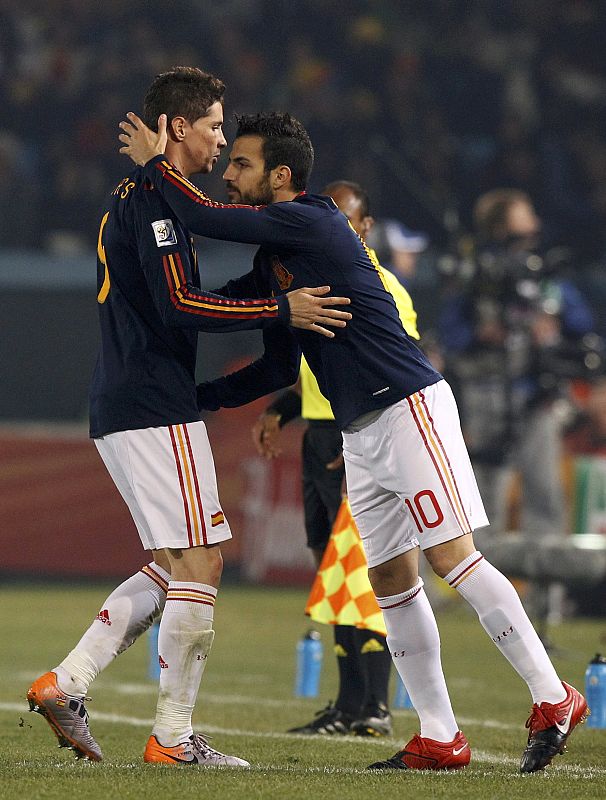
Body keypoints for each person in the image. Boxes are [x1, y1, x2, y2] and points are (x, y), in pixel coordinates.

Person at [119, 109, 588, 774]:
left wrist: (155, 167)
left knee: (453, 558)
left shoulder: (310, 220)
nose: (229, 173)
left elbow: (209, 217)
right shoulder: (277, 253)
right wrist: (197, 395)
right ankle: (440, 735)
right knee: (393, 581)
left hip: (407, 407)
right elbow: (271, 356)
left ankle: (554, 697)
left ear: (281, 175)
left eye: (242, 164)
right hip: (360, 428)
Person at [26, 67, 352, 768]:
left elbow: (178, 294)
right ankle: (173, 738)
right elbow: (182, 303)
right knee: (201, 559)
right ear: (179, 127)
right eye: (213, 128)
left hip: (125, 399)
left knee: (175, 562)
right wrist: (278, 308)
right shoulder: (158, 200)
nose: (219, 141)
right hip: (151, 400)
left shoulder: (133, 195)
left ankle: (68, 682)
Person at [251, 180, 421, 738]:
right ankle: (349, 704)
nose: (337, 232)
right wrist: (282, 408)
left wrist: (364, 454)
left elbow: (395, 370)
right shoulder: (318, 282)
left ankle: (374, 705)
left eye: (348, 222)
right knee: (335, 575)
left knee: (363, 574)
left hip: (358, 442)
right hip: (321, 439)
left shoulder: (383, 288)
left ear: (366, 228)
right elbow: (321, 377)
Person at [439, 189, 595, 623]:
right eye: (524, 216)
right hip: (487, 397)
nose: (534, 224)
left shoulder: (544, 275)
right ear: (502, 225)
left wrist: (554, 330)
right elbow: (452, 332)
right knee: (482, 500)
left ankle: (547, 604)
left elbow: (581, 328)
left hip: (537, 397)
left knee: (544, 497)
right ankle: (483, 599)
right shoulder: (476, 274)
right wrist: (481, 332)